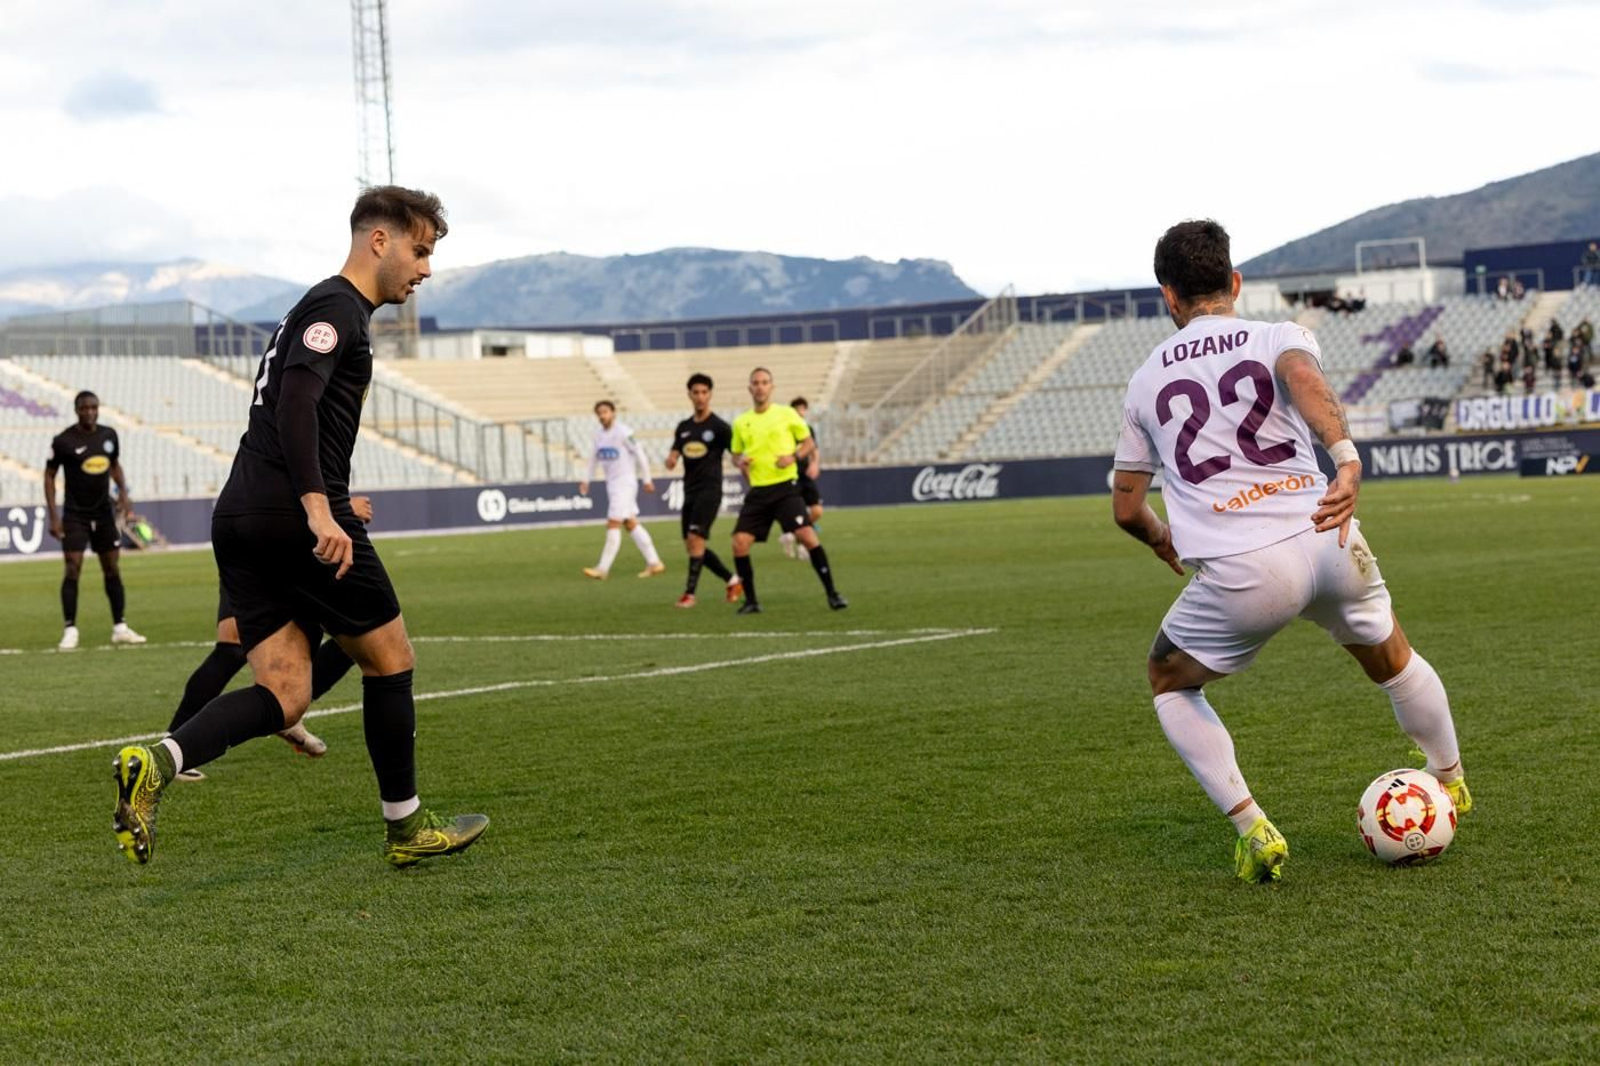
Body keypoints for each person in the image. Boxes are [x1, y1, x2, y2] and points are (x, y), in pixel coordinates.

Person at [109, 185, 487, 868]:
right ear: (381, 240)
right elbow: (298, 402)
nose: (425, 268)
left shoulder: (324, 311)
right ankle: (406, 830)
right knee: (391, 658)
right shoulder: (335, 304)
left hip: (244, 516)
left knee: (285, 695)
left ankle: (156, 762)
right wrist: (320, 506)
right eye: (420, 250)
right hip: (291, 516)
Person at [1111, 219, 1470, 884]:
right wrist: (1346, 458)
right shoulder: (1275, 335)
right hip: (1326, 533)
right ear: (1235, 282)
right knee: (1393, 656)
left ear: (1168, 295)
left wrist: (1163, 541)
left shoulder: (1142, 383)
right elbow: (1302, 376)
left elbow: (1127, 507)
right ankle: (1449, 780)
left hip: (1245, 569)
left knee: (1168, 681)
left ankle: (1254, 829)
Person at [165, 495, 377, 782]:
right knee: (359, 628)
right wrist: (342, 510)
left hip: (258, 535)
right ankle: (175, 745)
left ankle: (287, 713)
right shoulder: (286, 453)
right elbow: (286, 484)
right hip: (264, 535)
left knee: (353, 631)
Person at [728, 368, 847, 614]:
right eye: (756, 383)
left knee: (807, 535)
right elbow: (735, 454)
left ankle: (832, 593)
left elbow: (809, 443)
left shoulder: (787, 414)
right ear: (749, 388)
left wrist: (793, 457)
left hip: (785, 488)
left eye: (764, 382)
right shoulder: (741, 422)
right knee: (739, 543)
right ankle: (751, 601)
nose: (760, 387)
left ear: (772, 387)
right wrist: (740, 463)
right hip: (759, 491)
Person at [45, 390, 145, 650]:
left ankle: (120, 627)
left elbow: (114, 465)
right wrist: (53, 516)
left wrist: (123, 492)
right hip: (75, 515)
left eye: (94, 407)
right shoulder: (63, 441)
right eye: (85, 408)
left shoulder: (109, 435)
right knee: (72, 568)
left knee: (112, 568)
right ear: (76, 410)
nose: (90, 412)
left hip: (104, 514)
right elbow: (49, 476)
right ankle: (70, 629)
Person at [663, 374, 743, 608]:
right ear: (689, 394)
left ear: (710, 394)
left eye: (704, 392)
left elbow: (735, 453)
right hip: (690, 491)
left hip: (710, 490)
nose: (700, 397)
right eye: (695, 392)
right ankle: (732, 580)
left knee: (696, 539)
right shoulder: (684, 427)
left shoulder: (719, 427)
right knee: (693, 545)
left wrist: (743, 464)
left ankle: (690, 594)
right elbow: (675, 452)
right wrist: (670, 459)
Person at [577, 400, 665, 580]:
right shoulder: (598, 435)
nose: (603, 416)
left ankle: (602, 569)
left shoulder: (624, 432)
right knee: (630, 523)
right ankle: (654, 562)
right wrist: (586, 479)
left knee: (613, 523)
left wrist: (647, 479)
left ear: (613, 413)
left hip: (625, 483)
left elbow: (640, 453)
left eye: (606, 412)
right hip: (612, 484)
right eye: (599, 413)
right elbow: (593, 459)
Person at [779, 396, 825, 561]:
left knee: (817, 511)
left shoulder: (808, 429)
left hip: (805, 473)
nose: (800, 412)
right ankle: (802, 543)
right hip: (790, 474)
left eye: (803, 409)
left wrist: (815, 464)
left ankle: (791, 535)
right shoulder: (786, 430)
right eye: (797, 409)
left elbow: (814, 449)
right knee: (793, 512)